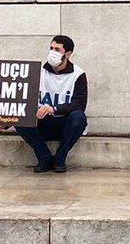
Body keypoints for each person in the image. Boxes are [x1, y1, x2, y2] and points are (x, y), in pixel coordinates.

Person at [16, 35, 88, 173]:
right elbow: (24, 100)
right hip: (43, 122)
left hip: (65, 125)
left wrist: (54, 109)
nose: (52, 52)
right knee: (21, 118)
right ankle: (44, 158)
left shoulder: (78, 74)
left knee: (79, 117)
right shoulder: (38, 73)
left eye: (57, 49)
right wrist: (4, 123)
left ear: (68, 54)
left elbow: (79, 104)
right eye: (51, 48)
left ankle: (60, 159)